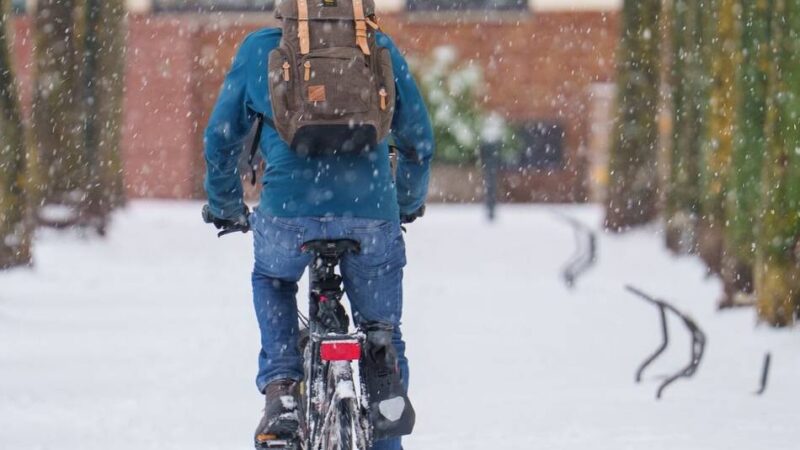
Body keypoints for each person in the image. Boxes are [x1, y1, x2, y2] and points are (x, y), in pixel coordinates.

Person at [202, 19, 434, 450]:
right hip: (371, 215)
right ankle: (382, 367)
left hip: (289, 214)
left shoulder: (262, 49)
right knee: (381, 329)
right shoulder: (376, 46)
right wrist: (404, 202)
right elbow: (419, 138)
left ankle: (283, 390)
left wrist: (225, 206)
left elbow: (220, 139)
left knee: (273, 279)